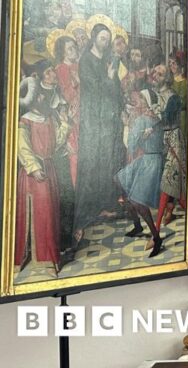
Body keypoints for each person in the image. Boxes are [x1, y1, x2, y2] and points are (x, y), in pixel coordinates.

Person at [15, 64, 71, 276]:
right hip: (34, 174)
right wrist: (34, 167)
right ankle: (40, 259)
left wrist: (64, 124)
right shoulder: (25, 120)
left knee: (51, 213)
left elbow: (56, 144)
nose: (42, 98)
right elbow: (22, 147)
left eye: (42, 96)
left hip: (49, 169)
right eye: (38, 96)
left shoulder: (48, 119)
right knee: (41, 212)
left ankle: (50, 257)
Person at [74, 23, 126, 230]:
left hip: (108, 119)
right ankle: (90, 209)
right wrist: (110, 77)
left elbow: (116, 90)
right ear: (94, 38)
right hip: (93, 119)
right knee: (93, 162)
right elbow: (94, 88)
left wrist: (121, 108)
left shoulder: (107, 60)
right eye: (103, 38)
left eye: (108, 39)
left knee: (108, 161)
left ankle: (106, 205)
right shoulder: (86, 60)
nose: (106, 42)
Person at [116, 94, 164, 257]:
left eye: (140, 101)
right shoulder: (152, 118)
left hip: (151, 161)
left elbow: (131, 145)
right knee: (119, 179)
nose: (137, 104)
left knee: (137, 201)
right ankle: (137, 225)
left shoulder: (144, 120)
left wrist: (128, 126)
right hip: (147, 159)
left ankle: (156, 237)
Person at [152, 64, 187, 231]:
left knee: (169, 183)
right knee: (171, 184)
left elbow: (166, 120)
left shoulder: (172, 97)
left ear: (166, 79)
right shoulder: (157, 95)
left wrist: (153, 113)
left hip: (174, 141)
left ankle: (156, 230)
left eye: (159, 74)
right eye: (155, 73)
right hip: (164, 141)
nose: (155, 76)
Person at [53, 35, 80, 186]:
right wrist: (78, 83)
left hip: (85, 113)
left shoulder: (79, 66)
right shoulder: (61, 69)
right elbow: (68, 95)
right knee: (74, 154)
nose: (74, 50)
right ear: (62, 52)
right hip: (72, 116)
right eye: (69, 49)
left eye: (74, 47)